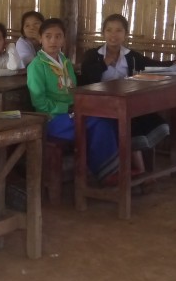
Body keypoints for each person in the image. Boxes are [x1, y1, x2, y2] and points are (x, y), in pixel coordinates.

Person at [79, 12, 176, 172]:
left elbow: (154, 65)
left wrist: (175, 64)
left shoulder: (131, 57)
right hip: (99, 106)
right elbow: (88, 76)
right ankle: (138, 173)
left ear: (125, 34)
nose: (113, 35)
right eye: (109, 30)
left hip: (124, 104)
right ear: (103, 33)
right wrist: (104, 63)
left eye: (118, 31)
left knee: (146, 118)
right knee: (129, 123)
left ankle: (140, 173)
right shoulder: (93, 55)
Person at [26, 18, 119, 183]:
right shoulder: (36, 66)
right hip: (51, 119)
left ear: (64, 39)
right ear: (40, 39)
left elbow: (72, 91)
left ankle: (106, 169)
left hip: (71, 113)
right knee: (98, 122)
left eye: (58, 36)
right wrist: (67, 108)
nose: (53, 41)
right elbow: (39, 103)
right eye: (48, 36)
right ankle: (106, 173)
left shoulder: (66, 62)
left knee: (109, 120)